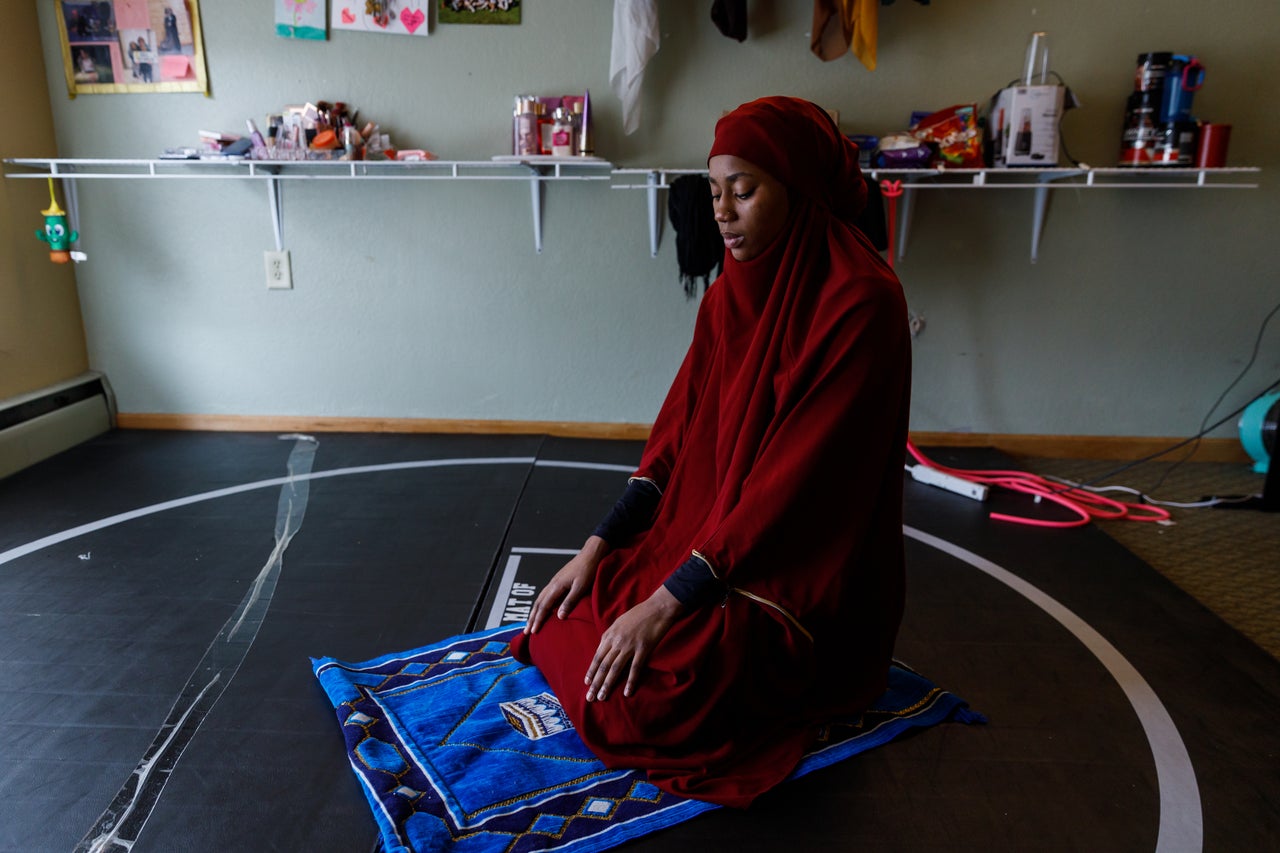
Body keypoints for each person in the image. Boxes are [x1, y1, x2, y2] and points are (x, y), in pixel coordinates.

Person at [510, 96, 911, 808]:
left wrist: (666, 604)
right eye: (716, 191)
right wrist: (596, 549)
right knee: (561, 616)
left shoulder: (861, 302)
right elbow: (673, 443)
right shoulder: (727, 299)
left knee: (643, 699)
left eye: (745, 190)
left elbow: (791, 489)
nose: (722, 212)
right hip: (709, 548)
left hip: (788, 576)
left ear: (798, 187)